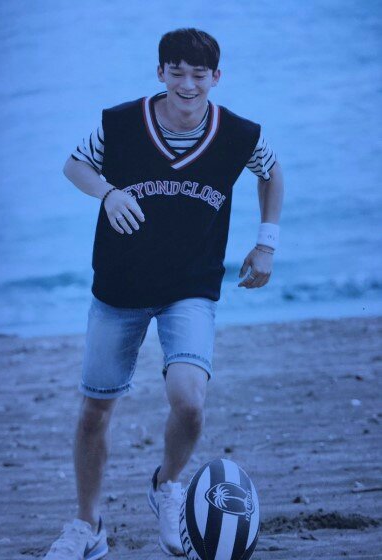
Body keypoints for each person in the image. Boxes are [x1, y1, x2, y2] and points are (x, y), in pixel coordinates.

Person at [44, 27, 284, 559]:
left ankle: (167, 486)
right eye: (176, 72)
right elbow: (74, 165)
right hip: (119, 288)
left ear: (216, 77)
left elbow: (270, 173)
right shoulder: (121, 124)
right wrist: (107, 193)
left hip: (189, 287)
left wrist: (265, 243)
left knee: (190, 403)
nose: (187, 84)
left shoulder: (239, 133)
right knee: (95, 411)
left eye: (199, 74)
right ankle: (88, 526)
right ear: (160, 73)